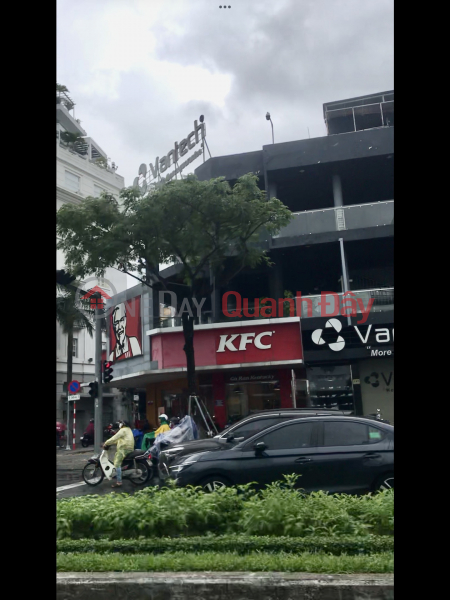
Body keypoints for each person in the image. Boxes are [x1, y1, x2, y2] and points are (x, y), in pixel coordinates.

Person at [102, 419, 135, 488]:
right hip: (129, 448)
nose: (119, 424)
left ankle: (119, 482)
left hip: (124, 449)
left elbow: (114, 438)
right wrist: (110, 443)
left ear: (123, 424)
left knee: (117, 463)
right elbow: (119, 440)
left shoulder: (123, 430)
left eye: (120, 423)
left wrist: (106, 443)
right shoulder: (128, 430)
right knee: (118, 460)